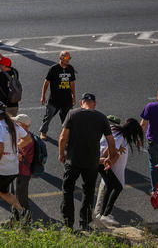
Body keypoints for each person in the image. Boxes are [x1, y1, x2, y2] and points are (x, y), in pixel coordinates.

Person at [58, 92, 118, 231]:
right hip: (92, 162)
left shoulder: (72, 114)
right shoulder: (101, 117)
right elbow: (110, 140)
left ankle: (68, 223)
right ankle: (85, 223)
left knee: (68, 190)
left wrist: (62, 153)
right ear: (94, 104)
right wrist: (111, 156)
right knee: (89, 192)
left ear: (81, 102)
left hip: (73, 160)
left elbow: (62, 138)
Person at [95, 118, 144, 227]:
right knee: (117, 187)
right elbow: (110, 149)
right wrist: (108, 161)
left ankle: (102, 214)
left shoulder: (116, 131)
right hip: (103, 162)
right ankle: (105, 214)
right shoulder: (120, 135)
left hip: (101, 162)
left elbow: (114, 151)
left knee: (110, 186)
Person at [39, 51, 76, 140]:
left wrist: (73, 96)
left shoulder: (70, 68)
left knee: (67, 119)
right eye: (66, 58)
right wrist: (43, 95)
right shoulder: (54, 69)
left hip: (66, 99)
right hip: (54, 99)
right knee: (48, 116)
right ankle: (43, 132)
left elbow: (72, 83)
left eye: (69, 58)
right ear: (61, 58)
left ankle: (66, 135)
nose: (68, 60)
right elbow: (46, 82)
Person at [13, 113, 35, 216]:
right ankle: (15, 218)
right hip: (22, 171)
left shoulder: (26, 140)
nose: (15, 124)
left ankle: (26, 220)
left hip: (23, 172)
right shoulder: (25, 135)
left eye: (17, 123)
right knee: (16, 196)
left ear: (23, 125)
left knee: (21, 198)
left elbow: (19, 156)